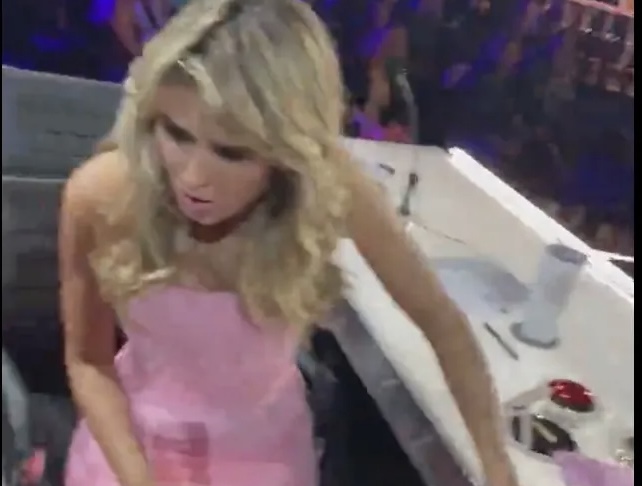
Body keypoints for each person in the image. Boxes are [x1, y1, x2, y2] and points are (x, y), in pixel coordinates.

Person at [59, 1, 521, 485]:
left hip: (266, 453)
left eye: (232, 152)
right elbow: (88, 360)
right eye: (176, 133)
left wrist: (497, 469)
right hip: (131, 443)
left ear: (284, 152)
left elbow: (442, 322)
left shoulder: (331, 188)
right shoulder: (100, 195)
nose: (193, 178)